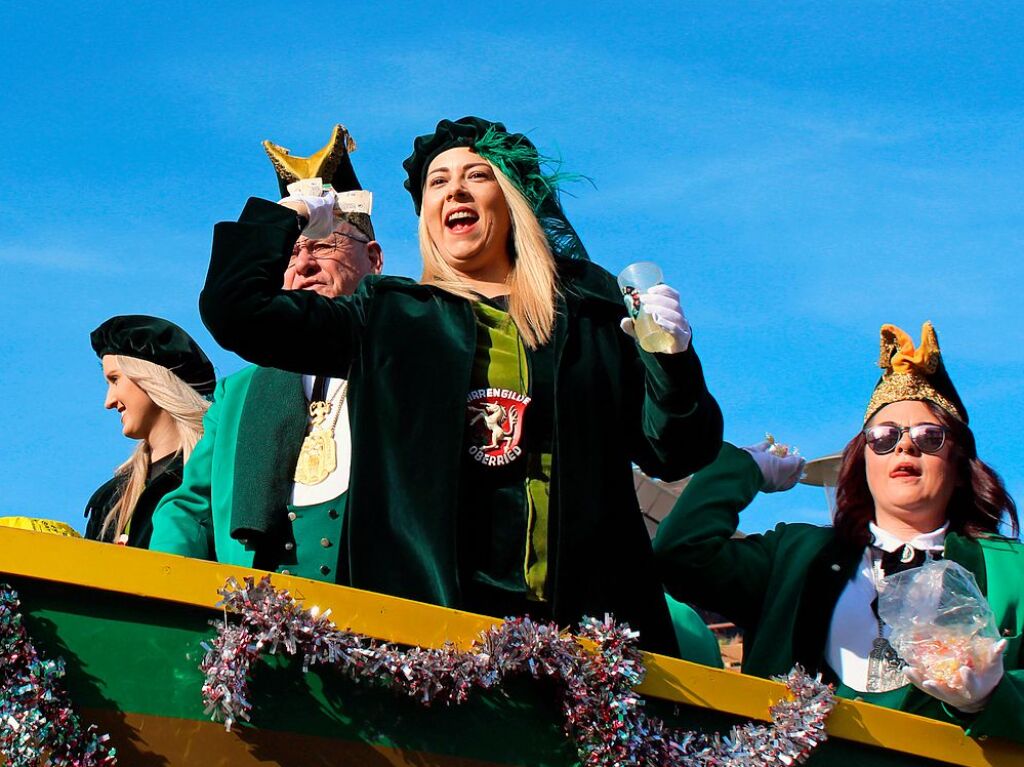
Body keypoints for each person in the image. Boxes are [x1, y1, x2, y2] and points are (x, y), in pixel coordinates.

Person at [197, 116, 723, 655]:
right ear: (426, 214)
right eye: (438, 182)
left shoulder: (591, 315)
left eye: (477, 175)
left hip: (587, 638)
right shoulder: (389, 317)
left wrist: (673, 359)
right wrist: (294, 215)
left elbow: (677, 450)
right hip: (427, 639)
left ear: (512, 198)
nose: (455, 191)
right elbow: (237, 312)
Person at [654, 321, 1023, 740]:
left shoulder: (1011, 569)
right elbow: (680, 554)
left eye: (929, 436)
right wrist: (742, 470)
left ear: (959, 467)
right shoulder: (796, 554)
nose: (904, 446)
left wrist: (994, 697)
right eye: (883, 437)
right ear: (863, 465)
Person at [150, 125, 382, 582]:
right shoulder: (235, 395)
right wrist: (157, 583)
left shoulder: (406, 356)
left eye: (324, 245)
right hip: (259, 627)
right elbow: (191, 508)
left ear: (374, 259)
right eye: (291, 253)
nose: (303, 263)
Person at [84, 315, 215, 547]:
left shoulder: (217, 476)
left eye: (115, 380)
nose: (109, 401)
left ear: (153, 379)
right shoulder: (110, 500)